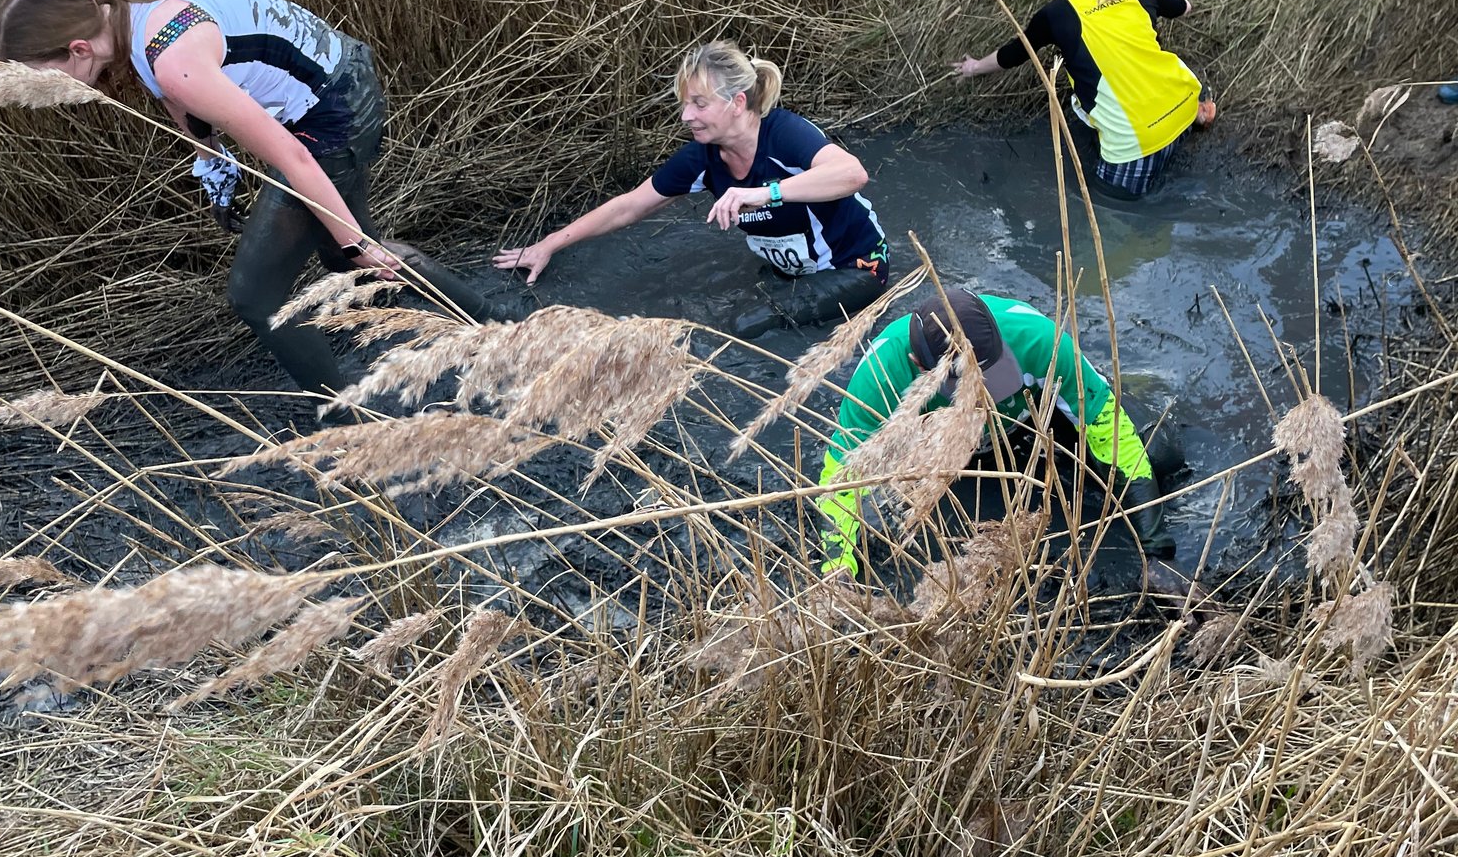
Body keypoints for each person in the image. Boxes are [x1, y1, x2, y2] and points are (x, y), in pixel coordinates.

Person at [0, 0, 496, 395]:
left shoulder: (173, 56)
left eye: (39, 75)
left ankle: (347, 422)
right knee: (347, 254)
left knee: (261, 294)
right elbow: (178, 91)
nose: (39, 90)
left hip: (333, 114)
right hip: (343, 70)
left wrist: (355, 240)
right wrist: (208, 154)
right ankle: (501, 329)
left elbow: (293, 157)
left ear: (77, 49)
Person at [493, 39, 890, 325]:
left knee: (746, 324)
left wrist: (764, 192)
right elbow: (631, 206)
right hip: (792, 270)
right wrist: (547, 245)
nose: (686, 116)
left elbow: (853, 174)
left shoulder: (784, 134)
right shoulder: (703, 157)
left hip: (856, 266)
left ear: (737, 103)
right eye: (685, 104)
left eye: (699, 104)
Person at [816, 288, 1177, 577]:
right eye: (967, 389)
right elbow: (841, 479)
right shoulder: (880, 376)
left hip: (1029, 426)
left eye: (991, 379)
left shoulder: (1038, 340)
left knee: (1156, 456)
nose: (983, 400)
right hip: (942, 452)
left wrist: (1157, 549)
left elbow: (1107, 425)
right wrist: (838, 573)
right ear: (919, 367)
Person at [953, 0, 1210, 199]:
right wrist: (1177, 2)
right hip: (1183, 104)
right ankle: (1199, 113)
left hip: (1134, 148)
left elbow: (1014, 54)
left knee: (1109, 203)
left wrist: (975, 67)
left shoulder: (1058, 15)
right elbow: (1182, 6)